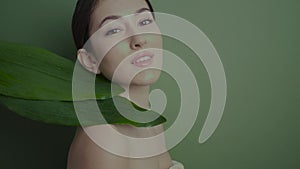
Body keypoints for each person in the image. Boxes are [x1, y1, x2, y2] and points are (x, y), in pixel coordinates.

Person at [67, 0, 184, 168]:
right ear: (90, 60)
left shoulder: (150, 120)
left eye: (144, 21)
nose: (139, 39)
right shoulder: (105, 141)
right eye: (114, 30)